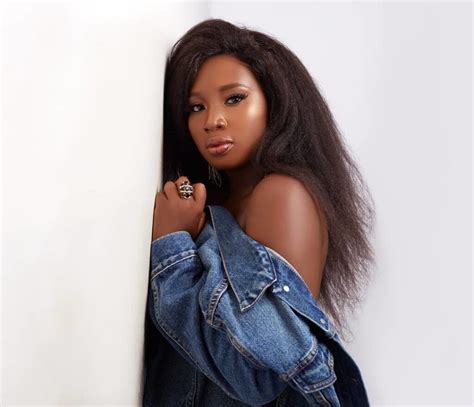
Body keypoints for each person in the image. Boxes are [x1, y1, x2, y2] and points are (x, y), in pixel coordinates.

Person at [143, 18, 376, 406]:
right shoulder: (216, 202)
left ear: (274, 102)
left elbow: (257, 374)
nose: (213, 121)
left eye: (234, 99)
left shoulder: (281, 195)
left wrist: (174, 251)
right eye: (196, 107)